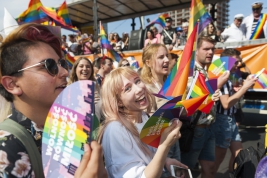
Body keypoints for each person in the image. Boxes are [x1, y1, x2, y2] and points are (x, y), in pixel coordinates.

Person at [0, 23, 106, 178]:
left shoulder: (67, 131)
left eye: (62, 64)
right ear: (13, 84)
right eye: (48, 66)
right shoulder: (6, 148)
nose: (64, 72)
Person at [97, 67, 188, 177]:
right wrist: (164, 146)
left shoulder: (144, 116)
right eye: (127, 89)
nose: (139, 89)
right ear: (119, 101)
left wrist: (166, 161)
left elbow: (147, 157)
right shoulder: (115, 130)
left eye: (137, 81)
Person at [181, 36, 228, 178]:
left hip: (209, 127)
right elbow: (192, 101)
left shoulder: (206, 71)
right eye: (206, 49)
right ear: (196, 51)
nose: (210, 52)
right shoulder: (190, 72)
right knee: (186, 171)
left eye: (213, 49)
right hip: (195, 129)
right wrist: (217, 85)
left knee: (210, 169)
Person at [211, 48, 257, 174]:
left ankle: (232, 174)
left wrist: (238, 89)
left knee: (239, 154)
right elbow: (225, 104)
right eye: (236, 62)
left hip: (230, 119)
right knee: (218, 158)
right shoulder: (222, 77)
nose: (238, 65)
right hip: (222, 120)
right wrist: (245, 88)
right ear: (227, 62)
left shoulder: (230, 76)